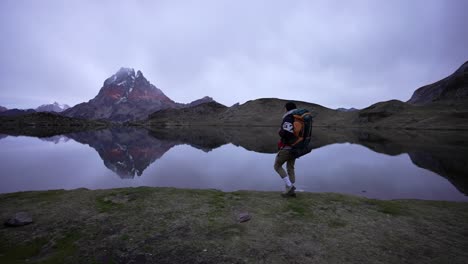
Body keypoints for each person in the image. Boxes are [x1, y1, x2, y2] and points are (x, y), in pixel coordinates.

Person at [274, 101, 299, 197]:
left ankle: (289, 186)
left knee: (277, 166)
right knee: (290, 168)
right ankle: (291, 189)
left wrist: (280, 132)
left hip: (287, 147)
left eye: (285, 108)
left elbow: (287, 133)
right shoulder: (298, 119)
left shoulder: (288, 118)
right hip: (296, 147)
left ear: (287, 109)